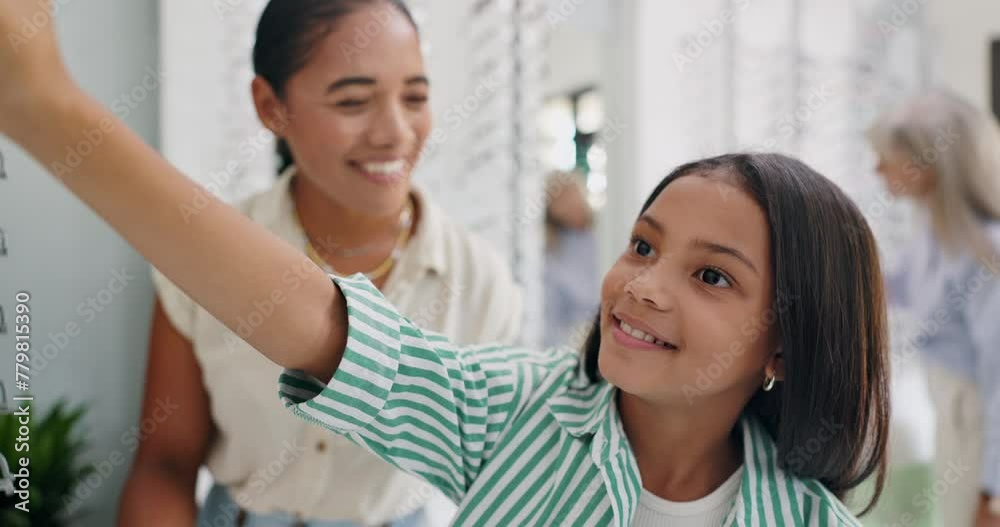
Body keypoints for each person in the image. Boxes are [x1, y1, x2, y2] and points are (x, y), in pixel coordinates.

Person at [0, 2, 888, 524]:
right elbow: (317, 326)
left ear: (786, 345)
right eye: (644, 243)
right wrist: (47, 107)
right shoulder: (514, 412)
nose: (644, 283)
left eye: (712, 275)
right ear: (270, 109)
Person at [114, 1, 523, 526]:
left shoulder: (481, 284)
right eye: (353, 101)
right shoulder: (203, 256)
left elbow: (498, 481)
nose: (395, 132)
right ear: (270, 106)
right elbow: (166, 462)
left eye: (415, 96)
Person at [869, 90, 1000, 527]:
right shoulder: (934, 231)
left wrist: (994, 495)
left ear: (926, 166)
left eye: (887, 156)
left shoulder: (987, 253)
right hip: (951, 409)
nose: (877, 168)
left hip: (979, 421)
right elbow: (895, 286)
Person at [543, 170, 600, 348]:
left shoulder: (603, 231)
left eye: (569, 195)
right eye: (558, 200)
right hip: (568, 336)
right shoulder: (552, 247)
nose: (566, 205)